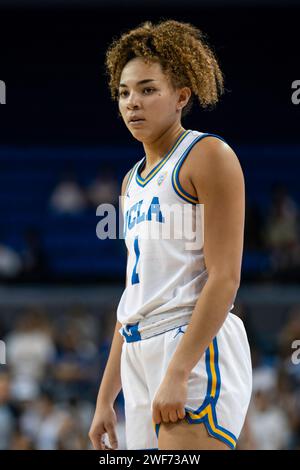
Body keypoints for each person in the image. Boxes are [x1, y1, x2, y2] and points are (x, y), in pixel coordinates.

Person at [89, 19, 252, 450]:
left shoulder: (208, 155)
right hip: (139, 352)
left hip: (191, 341)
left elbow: (225, 278)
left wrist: (179, 370)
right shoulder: (130, 182)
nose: (132, 103)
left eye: (147, 89)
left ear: (181, 96)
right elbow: (135, 297)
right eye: (124, 93)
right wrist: (107, 397)